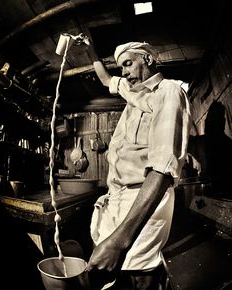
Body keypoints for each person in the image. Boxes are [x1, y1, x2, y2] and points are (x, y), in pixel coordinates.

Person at [86, 41, 192, 290]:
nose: (123, 72)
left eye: (128, 63)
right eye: (120, 66)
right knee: (113, 274)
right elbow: (104, 78)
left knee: (139, 275)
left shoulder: (167, 92)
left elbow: (163, 169)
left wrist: (121, 240)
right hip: (117, 198)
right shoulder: (133, 92)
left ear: (147, 59)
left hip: (144, 197)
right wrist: (89, 47)